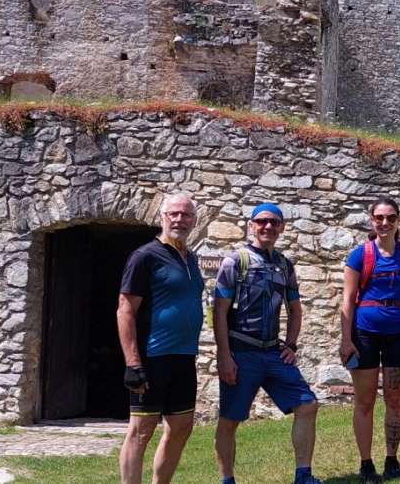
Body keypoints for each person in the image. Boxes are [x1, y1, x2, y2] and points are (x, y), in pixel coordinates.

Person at [212, 203, 322, 484]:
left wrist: (292, 345)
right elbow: (219, 312)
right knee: (230, 420)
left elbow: (295, 309)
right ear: (251, 225)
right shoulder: (235, 261)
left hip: (274, 352)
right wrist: (224, 356)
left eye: (274, 222)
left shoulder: (285, 265)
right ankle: (227, 481)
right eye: (262, 221)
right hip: (241, 352)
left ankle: (303, 476)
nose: (268, 227)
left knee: (307, 404)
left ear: (282, 227)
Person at [340, 197, 400, 483]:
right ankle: (366, 464)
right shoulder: (360, 255)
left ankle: (392, 461)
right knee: (365, 401)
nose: (385, 223)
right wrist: (346, 340)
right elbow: (347, 300)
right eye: (379, 218)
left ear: (399, 221)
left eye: (391, 218)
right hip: (364, 335)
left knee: (395, 399)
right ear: (372, 220)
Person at [116, 192, 205, 484]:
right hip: (152, 357)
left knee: (181, 427)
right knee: (141, 431)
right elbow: (125, 310)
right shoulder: (144, 256)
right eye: (174, 214)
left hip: (183, 357)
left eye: (186, 214)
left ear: (194, 220)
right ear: (162, 218)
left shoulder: (190, 258)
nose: (180, 219)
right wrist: (132, 363)